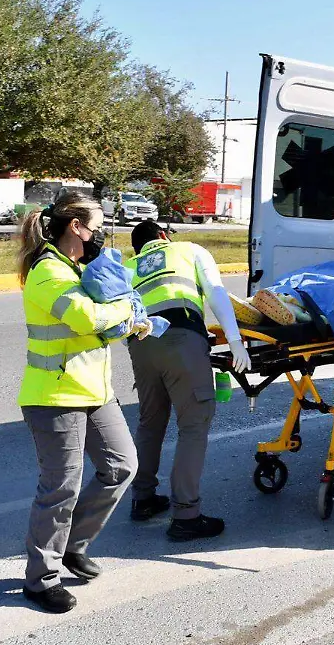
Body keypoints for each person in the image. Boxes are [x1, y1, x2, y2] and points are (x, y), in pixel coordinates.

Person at [15, 193, 152, 613]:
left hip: (95, 392)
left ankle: (73, 544)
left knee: (121, 467)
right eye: (96, 226)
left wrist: (133, 320)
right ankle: (41, 579)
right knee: (60, 489)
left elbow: (99, 326)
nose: (100, 234)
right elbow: (86, 318)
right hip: (55, 396)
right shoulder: (47, 272)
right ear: (76, 227)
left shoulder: (78, 268)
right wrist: (127, 313)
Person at [124, 221, 251, 541]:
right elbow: (215, 292)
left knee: (150, 424)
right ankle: (186, 514)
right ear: (163, 236)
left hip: (141, 346)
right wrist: (235, 341)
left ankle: (143, 498)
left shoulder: (128, 267)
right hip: (181, 340)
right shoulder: (190, 250)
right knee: (194, 424)